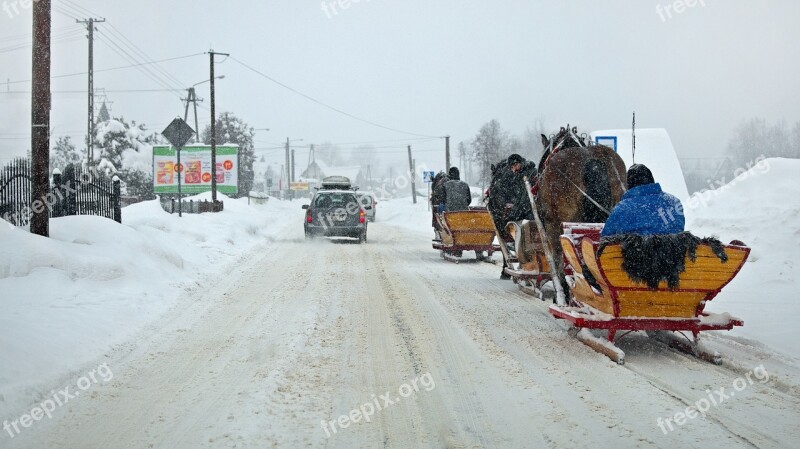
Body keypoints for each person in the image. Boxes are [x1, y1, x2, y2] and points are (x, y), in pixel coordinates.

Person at [601, 164, 685, 237]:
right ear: (652, 180)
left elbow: (606, 238)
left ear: (629, 185)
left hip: (633, 254)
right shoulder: (673, 202)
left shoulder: (622, 208)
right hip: (672, 254)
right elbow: (678, 230)